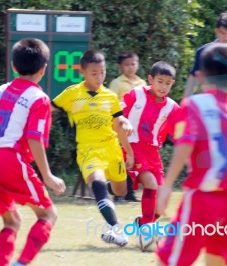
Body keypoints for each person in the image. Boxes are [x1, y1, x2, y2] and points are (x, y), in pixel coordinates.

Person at [156, 43, 227, 266]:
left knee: (172, 260)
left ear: (199, 76)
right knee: (219, 260)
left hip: (202, 201)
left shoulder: (194, 104)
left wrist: (167, 186)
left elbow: (185, 143)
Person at [0, 38, 66, 266]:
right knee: (48, 214)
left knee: (11, 220)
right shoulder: (39, 98)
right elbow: (35, 139)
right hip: (8, 160)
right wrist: (48, 176)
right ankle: (20, 263)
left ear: (14, 66)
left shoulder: (0, 90)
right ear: (44, 69)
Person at [51, 49, 134, 247]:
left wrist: (126, 127)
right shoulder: (72, 94)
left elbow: (119, 119)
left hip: (112, 149)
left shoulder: (110, 96)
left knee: (120, 190)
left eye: (102, 72)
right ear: (83, 72)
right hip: (88, 150)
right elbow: (48, 108)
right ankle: (116, 228)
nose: (99, 77)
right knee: (97, 184)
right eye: (94, 73)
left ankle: (106, 203)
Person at [122, 61, 180, 227]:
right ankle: (146, 231)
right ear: (150, 79)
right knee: (150, 183)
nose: (163, 86)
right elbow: (117, 117)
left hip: (153, 153)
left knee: (160, 205)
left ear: (172, 84)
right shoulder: (135, 95)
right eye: (160, 81)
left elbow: (181, 135)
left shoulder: (172, 108)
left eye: (167, 83)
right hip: (131, 147)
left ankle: (141, 224)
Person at [109, 51, 147, 202]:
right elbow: (112, 105)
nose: (131, 67)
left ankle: (130, 192)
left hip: (137, 128)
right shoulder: (117, 83)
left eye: (133, 64)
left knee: (134, 159)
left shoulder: (142, 84)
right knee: (121, 159)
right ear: (120, 67)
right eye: (127, 65)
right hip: (120, 127)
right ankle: (118, 194)